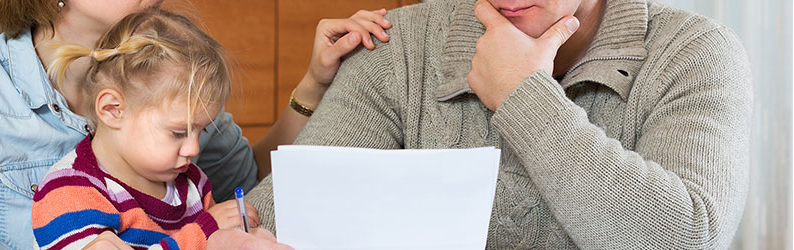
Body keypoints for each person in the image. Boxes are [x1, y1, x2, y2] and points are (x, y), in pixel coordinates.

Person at [0, 0, 392, 248]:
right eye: (178, 133)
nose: (187, 144)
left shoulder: (175, 70)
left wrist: (314, 87)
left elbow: (249, 184)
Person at [245, 0, 752, 249]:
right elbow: (284, 220)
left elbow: (688, 238)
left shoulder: (694, 53)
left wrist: (520, 95)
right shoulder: (397, 45)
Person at [32, 9, 258, 249]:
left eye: (201, 131)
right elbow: (201, 235)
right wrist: (206, 232)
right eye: (179, 132)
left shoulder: (192, 184)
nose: (193, 148)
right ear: (112, 110)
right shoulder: (69, 194)